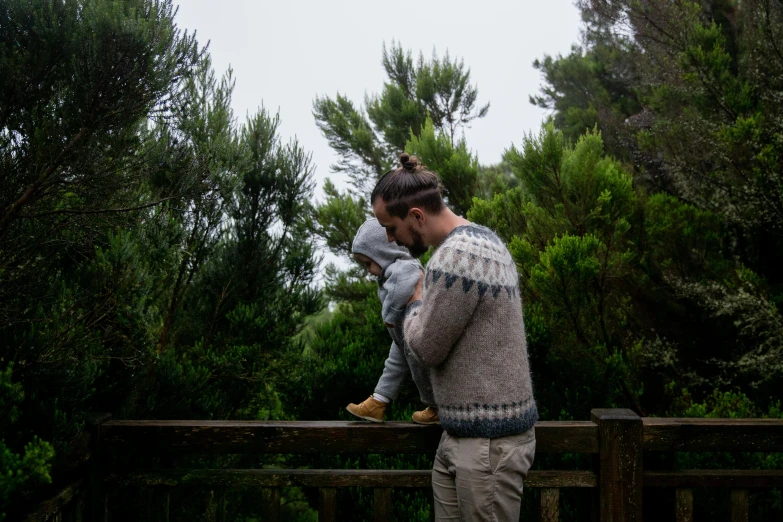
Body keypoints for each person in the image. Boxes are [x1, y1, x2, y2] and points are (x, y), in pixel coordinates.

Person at [371, 153, 538, 521]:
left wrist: (413, 305)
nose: (389, 239)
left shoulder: (456, 258)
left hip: (486, 445)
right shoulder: (483, 241)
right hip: (466, 434)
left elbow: (427, 348)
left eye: (391, 227)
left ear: (416, 215)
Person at [345, 218, 439, 425]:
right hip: (403, 336)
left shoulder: (405, 266)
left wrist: (390, 316)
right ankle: (377, 403)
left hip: (415, 333)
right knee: (393, 367)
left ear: (383, 252)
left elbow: (402, 290)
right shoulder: (390, 273)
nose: (369, 270)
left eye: (369, 263)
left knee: (423, 373)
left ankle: (438, 407)